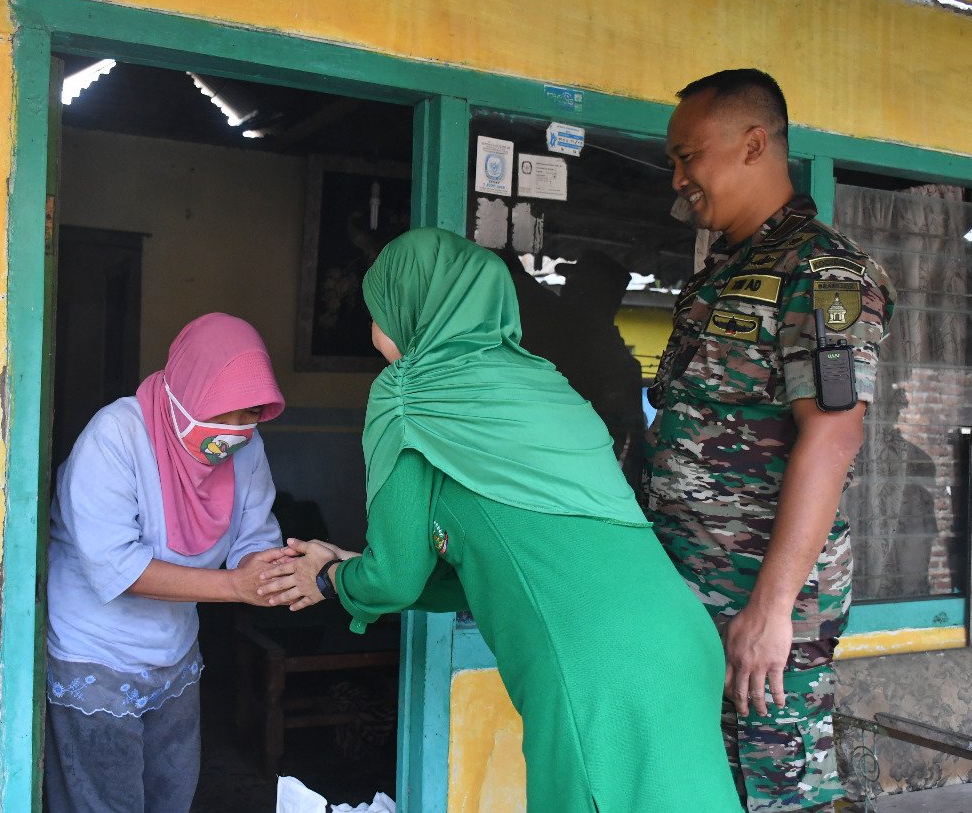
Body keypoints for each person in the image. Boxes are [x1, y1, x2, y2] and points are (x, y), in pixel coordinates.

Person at [258, 228, 741, 812]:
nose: (372, 330)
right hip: (681, 642)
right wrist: (350, 568)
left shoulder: (411, 394)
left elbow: (395, 579)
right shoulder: (550, 386)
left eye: (376, 312)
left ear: (411, 309)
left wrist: (328, 578)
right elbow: (503, 566)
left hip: (594, 672)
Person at [647, 69, 896, 812]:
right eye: (673, 160)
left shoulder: (822, 272)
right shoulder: (722, 273)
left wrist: (772, 607)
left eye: (689, 155)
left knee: (778, 789)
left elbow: (833, 434)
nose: (678, 176)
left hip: (760, 594)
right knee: (706, 783)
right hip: (695, 589)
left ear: (754, 143)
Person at [43, 313, 296, 812]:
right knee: (103, 802)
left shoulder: (246, 446)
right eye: (224, 413)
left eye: (250, 415)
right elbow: (119, 568)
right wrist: (236, 587)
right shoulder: (115, 437)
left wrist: (282, 571)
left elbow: (255, 537)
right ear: (187, 393)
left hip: (173, 652)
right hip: (95, 652)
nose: (237, 431)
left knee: (170, 796)